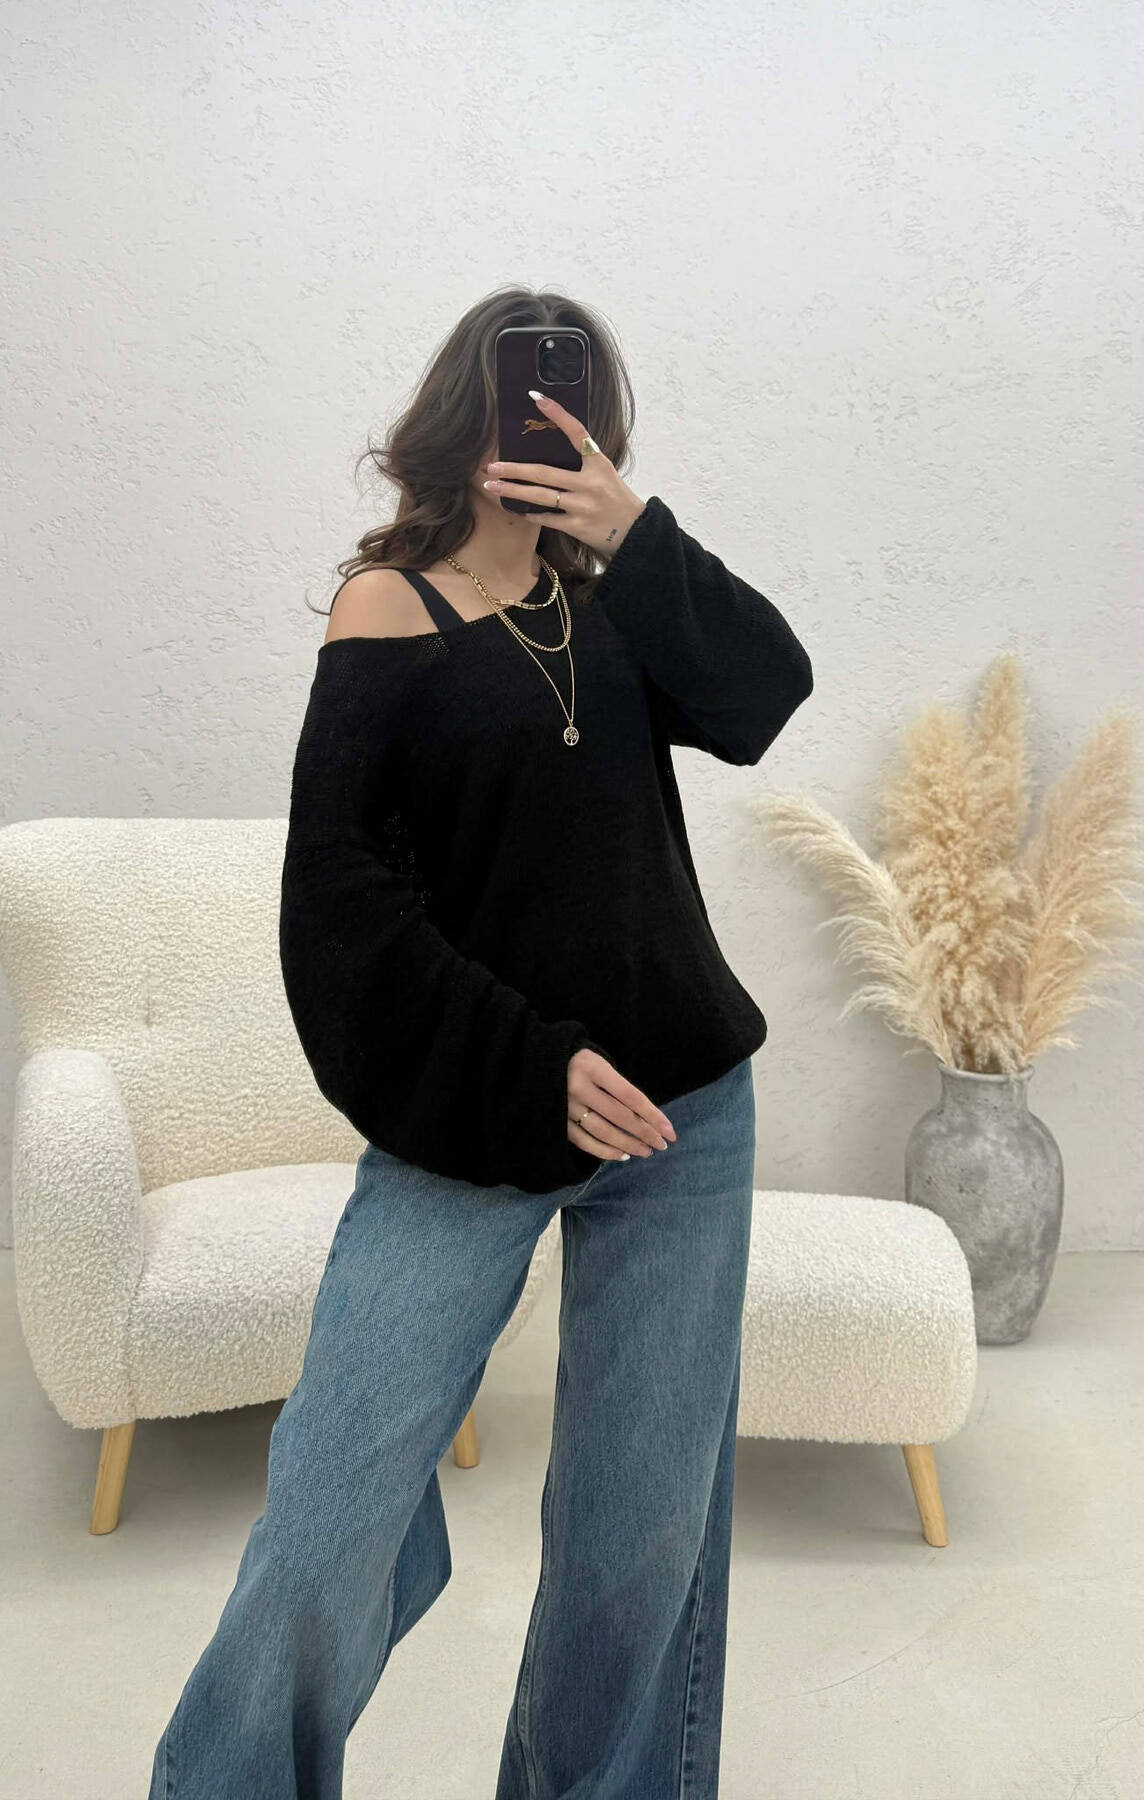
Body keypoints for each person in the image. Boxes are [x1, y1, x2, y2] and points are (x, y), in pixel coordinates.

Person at [148, 286, 814, 1798]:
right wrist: (530, 1064)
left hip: (683, 1116)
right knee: (334, 1498)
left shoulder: (615, 602)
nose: (549, 418)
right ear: (470, 407)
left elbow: (767, 692)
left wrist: (632, 530)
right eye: (526, 391)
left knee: (639, 1530)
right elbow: (339, 898)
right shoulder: (390, 609)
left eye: (576, 400)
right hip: (475, 1112)